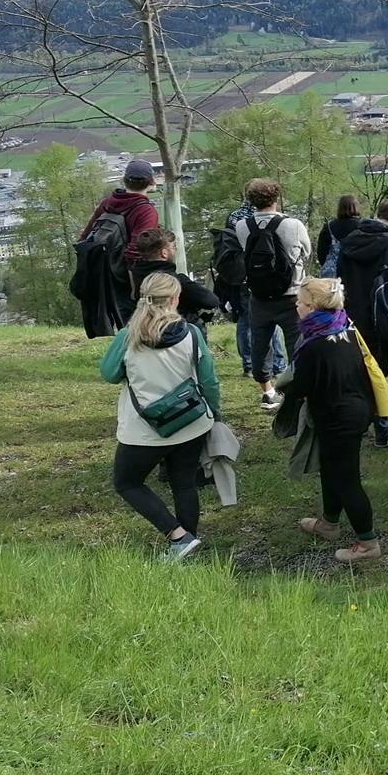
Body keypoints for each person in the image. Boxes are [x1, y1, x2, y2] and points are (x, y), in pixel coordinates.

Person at [99, 271, 220, 561]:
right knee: (184, 483)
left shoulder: (129, 337)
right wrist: (215, 413)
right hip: (190, 421)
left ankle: (178, 537)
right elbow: (209, 380)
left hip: (144, 429)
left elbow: (109, 373)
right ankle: (187, 537)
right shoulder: (191, 334)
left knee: (127, 482)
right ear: (175, 299)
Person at [281, 278, 383, 563]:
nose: (297, 307)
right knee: (331, 468)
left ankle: (368, 543)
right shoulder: (345, 327)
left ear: (312, 307)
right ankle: (329, 523)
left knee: (347, 478)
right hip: (355, 408)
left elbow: (300, 387)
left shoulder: (313, 344)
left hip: (339, 417)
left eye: (299, 303)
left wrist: (283, 393)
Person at [337, 198, 388, 445]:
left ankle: (381, 430)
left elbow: (341, 281)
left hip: (361, 320)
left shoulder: (349, 243)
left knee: (372, 375)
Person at [233, 178, 312, 411]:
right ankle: (298, 393)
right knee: (296, 345)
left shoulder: (241, 226)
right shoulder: (293, 225)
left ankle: (267, 392)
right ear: (276, 198)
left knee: (260, 344)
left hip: (258, 295)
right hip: (291, 296)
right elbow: (306, 251)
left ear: (251, 201)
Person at [82, 158, 160, 320]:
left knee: (125, 327)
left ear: (125, 181)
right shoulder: (146, 211)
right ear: (151, 182)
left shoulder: (107, 203)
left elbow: (84, 239)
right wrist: (136, 289)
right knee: (139, 326)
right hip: (129, 279)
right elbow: (136, 251)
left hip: (105, 274)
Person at [221, 194, 287, 380]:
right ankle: (277, 364)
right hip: (265, 276)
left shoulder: (233, 217)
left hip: (240, 275)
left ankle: (248, 365)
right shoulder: (269, 219)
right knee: (270, 322)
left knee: (245, 320)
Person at [130, 227, 218, 325]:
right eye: (173, 247)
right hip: (177, 327)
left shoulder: (135, 276)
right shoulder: (176, 281)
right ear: (164, 253)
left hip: (143, 325)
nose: (175, 250)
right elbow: (211, 301)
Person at [314, 194, 362, 276]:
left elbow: (321, 253)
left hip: (332, 273)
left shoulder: (328, 227)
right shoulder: (363, 226)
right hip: (357, 273)